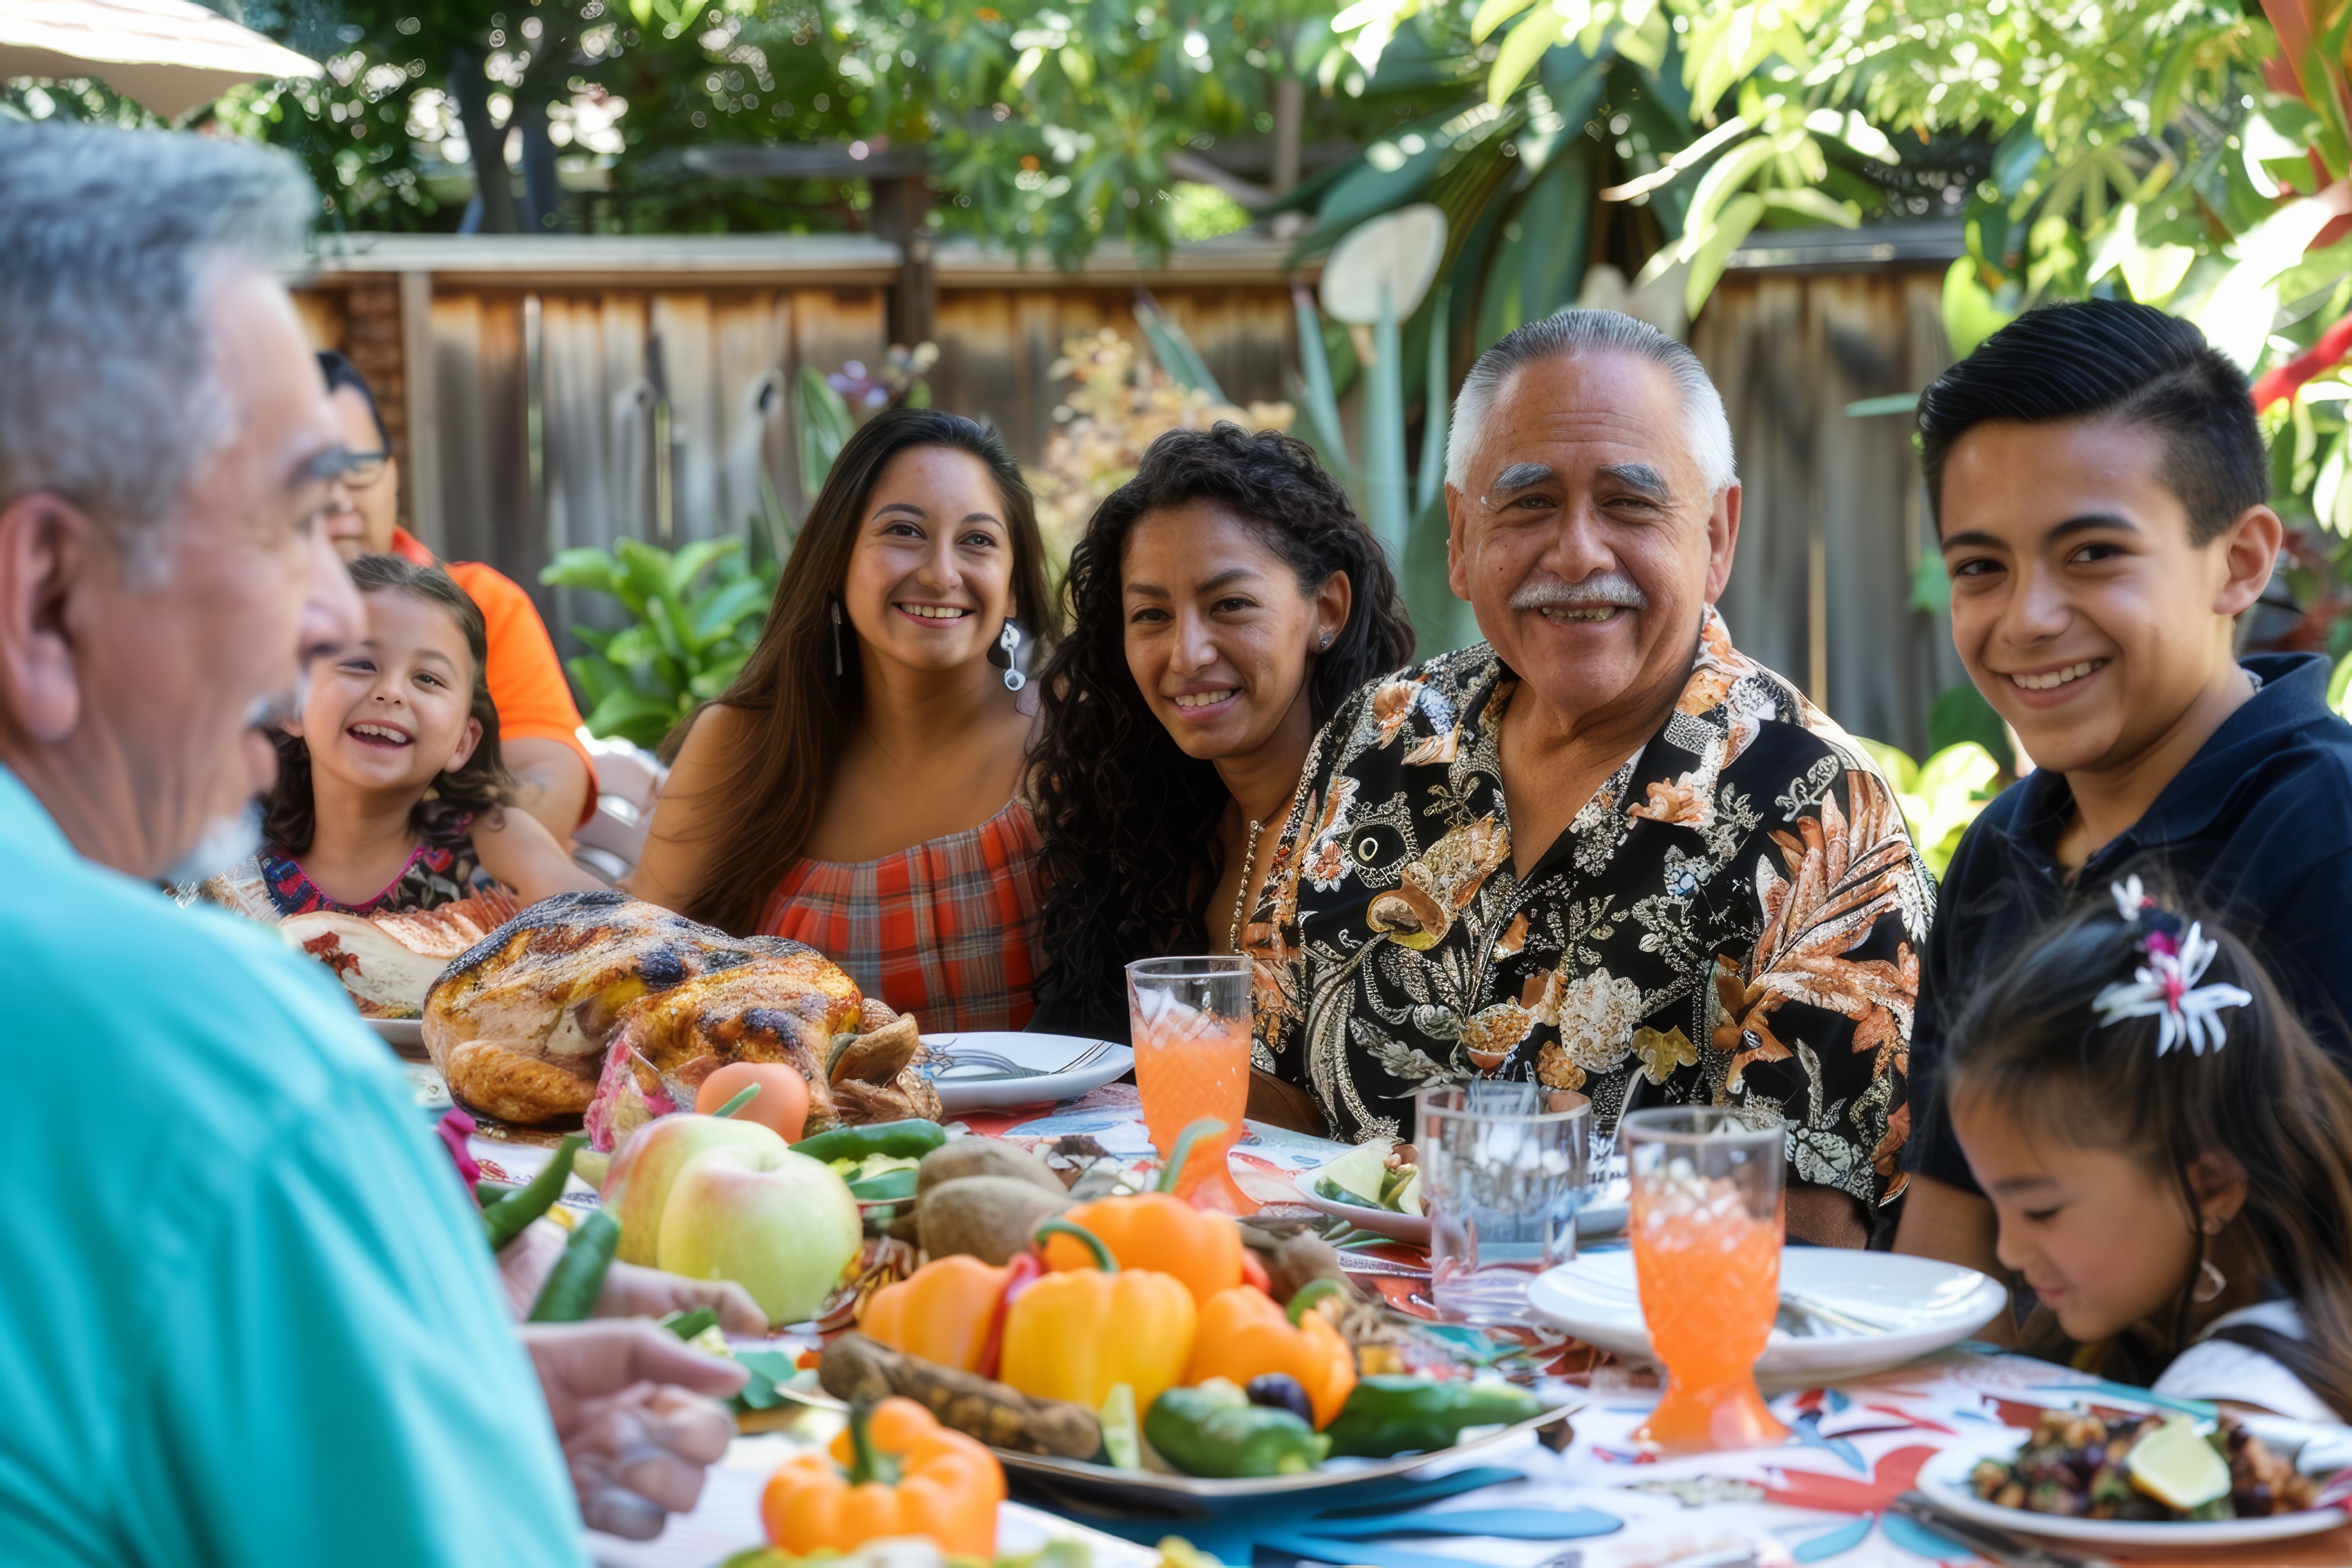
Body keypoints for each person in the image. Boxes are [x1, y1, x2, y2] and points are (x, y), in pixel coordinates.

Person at [0, 124, 740, 1562]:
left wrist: (393, 1407)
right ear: (43, 593)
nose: (334, 620)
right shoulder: (210, 1052)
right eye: (285, 526)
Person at [1244, 310, 1930, 1247]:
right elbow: (1262, 1085)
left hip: (1618, 1367)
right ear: (1458, 535)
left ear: (1718, 534)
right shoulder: (1378, 737)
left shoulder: (1821, 816)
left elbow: (1804, 1233)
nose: (1576, 553)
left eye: (1629, 503)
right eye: (1527, 503)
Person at [1893, 301, 2352, 1301]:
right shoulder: (1998, 850)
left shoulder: (2330, 834)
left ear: (2239, 562)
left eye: (2093, 554)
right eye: (1982, 568)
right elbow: (1948, 1258)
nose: (2029, 619)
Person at [1026, 424, 1413, 1128]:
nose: (1187, 651)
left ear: (1326, 609)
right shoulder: (1141, 823)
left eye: (1230, 605)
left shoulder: (1402, 817)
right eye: (1151, 614)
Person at [634, 409, 1053, 1031]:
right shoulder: (746, 743)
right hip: (789, 1129)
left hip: (1052, 1131)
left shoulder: (1068, 743)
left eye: (978, 540)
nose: (942, 573)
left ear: (1013, 585)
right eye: (905, 531)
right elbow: (639, 969)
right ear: (837, 561)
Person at [1944, 881, 2352, 1421]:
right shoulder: (2169, 1338)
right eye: (1995, 1202)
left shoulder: (2234, 1424)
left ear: (2211, 1188)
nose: (2010, 1252)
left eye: (2040, 1209)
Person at [213, 553, 603, 916]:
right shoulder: (230, 848)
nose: (392, 692)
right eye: (361, 663)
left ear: (463, 741)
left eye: (428, 678)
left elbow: (605, 917)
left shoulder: (488, 837)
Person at [316, 351, 598, 844]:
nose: (336, 495)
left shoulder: (482, 606)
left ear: (393, 472)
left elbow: (554, 782)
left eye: (357, 465)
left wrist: (409, 861)